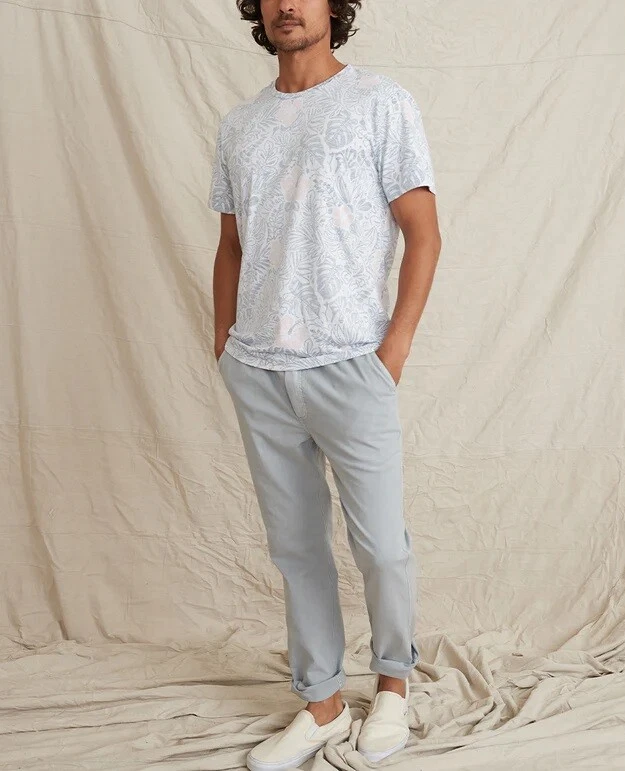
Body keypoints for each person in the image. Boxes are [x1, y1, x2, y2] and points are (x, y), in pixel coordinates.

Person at [208, 1, 441, 768]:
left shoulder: (379, 102)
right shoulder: (241, 125)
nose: (287, 5)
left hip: (351, 362)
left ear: (333, 8)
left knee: (381, 545)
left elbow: (423, 230)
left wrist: (392, 348)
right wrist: (224, 344)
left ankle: (394, 686)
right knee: (296, 547)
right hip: (260, 369)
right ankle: (323, 703)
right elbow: (231, 244)